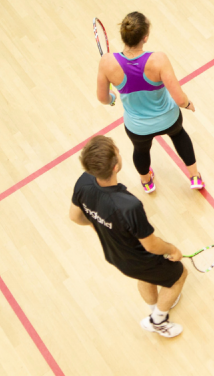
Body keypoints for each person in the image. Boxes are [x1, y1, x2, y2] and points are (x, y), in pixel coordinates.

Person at [69, 135, 188, 337]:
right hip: (139, 258)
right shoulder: (128, 206)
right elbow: (150, 245)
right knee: (179, 276)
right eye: (118, 152)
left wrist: (100, 225)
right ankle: (158, 320)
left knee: (145, 276)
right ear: (116, 167)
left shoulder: (84, 182)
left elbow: (75, 217)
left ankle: (155, 309)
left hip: (115, 255)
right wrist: (173, 249)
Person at [96, 11, 204, 193]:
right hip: (168, 119)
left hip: (137, 127)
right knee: (179, 136)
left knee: (141, 150)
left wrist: (112, 98)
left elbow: (103, 98)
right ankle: (194, 177)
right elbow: (179, 98)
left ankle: (147, 182)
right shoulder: (158, 59)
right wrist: (187, 104)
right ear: (145, 38)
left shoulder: (107, 62)